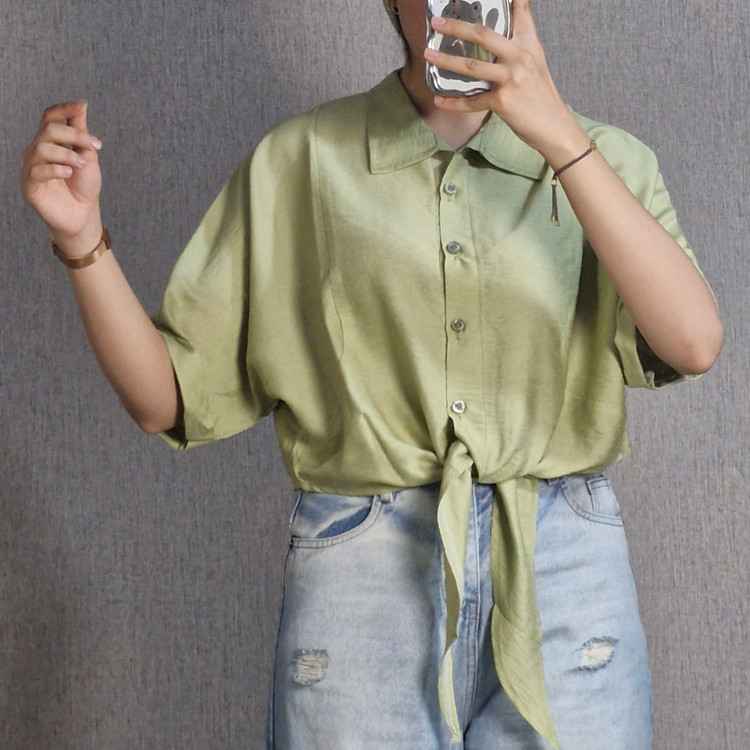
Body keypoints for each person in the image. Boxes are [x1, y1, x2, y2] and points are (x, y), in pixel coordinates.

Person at [20, 1, 722, 748]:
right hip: (361, 572)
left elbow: (693, 343)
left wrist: (557, 137)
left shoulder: (608, 159)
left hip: (567, 571)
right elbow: (165, 399)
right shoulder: (299, 161)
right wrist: (82, 238)